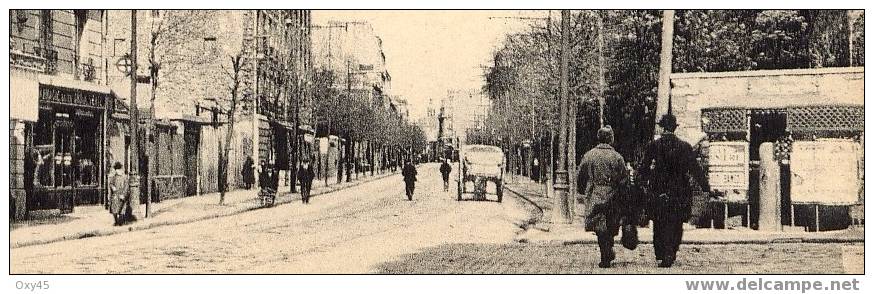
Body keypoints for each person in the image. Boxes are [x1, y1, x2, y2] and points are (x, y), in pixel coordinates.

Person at [637, 113, 711, 268]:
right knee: (676, 222)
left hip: (658, 189)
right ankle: (672, 251)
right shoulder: (684, 147)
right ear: (674, 128)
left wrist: (641, 182)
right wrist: (706, 186)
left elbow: (644, 167)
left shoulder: (654, 145)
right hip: (680, 189)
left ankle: (661, 252)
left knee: (659, 222)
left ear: (662, 127)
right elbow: (695, 169)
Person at [579, 126, 629, 268]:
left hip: (595, 193)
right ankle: (608, 250)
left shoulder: (589, 155)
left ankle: (605, 253)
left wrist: (583, 190)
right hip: (613, 195)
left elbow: (581, 175)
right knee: (611, 224)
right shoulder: (617, 157)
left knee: (600, 227)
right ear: (611, 139)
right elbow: (624, 179)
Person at [109, 162, 128, 226]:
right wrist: (112, 187)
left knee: (122, 209)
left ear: (120, 170)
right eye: (116, 170)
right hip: (115, 195)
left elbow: (126, 187)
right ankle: (116, 221)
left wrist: (123, 194)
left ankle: (120, 221)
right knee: (114, 209)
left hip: (121, 194)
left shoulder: (124, 177)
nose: (117, 171)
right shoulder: (114, 177)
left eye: (118, 169)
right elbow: (111, 183)